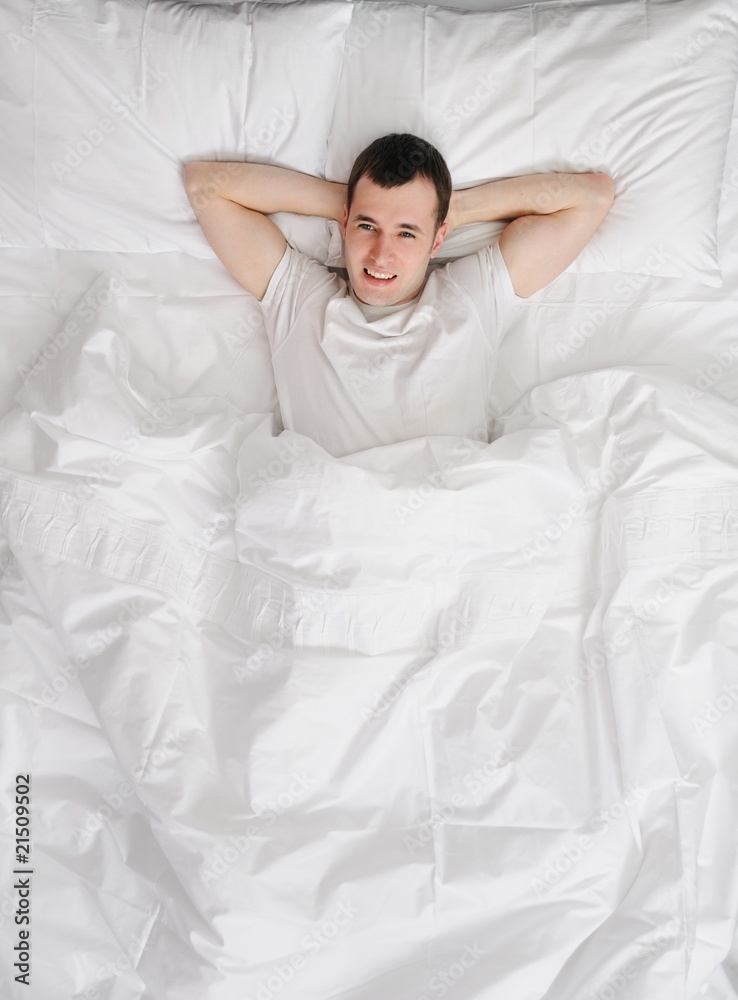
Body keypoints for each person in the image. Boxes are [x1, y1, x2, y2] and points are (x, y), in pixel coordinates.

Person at [184, 133, 614, 457]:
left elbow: (592, 197)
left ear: (438, 238)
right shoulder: (300, 298)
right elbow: (205, 185)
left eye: (407, 233)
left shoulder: (472, 297)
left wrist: (454, 209)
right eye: (367, 226)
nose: (380, 254)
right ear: (345, 223)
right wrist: (349, 201)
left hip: (443, 520)